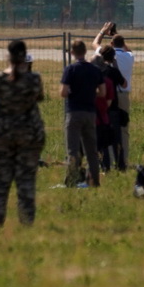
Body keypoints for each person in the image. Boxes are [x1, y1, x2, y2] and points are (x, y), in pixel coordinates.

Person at [0, 40, 46, 227]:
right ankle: (27, 221)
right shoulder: (33, 80)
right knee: (26, 181)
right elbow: (39, 96)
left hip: (1, 135)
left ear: (8, 56)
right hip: (27, 135)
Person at [60, 39, 105, 187]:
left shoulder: (70, 69)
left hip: (74, 112)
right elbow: (102, 92)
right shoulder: (95, 70)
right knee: (91, 150)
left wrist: (74, 92)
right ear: (85, 52)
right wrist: (90, 93)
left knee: (73, 150)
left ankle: (72, 180)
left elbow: (63, 92)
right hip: (90, 113)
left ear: (72, 53)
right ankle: (94, 181)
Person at [95, 23, 134, 169]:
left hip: (106, 93)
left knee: (105, 125)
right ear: (123, 43)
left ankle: (107, 159)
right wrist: (115, 35)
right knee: (123, 128)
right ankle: (123, 159)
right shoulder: (129, 56)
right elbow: (128, 50)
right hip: (123, 95)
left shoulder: (105, 54)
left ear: (111, 44)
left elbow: (95, 44)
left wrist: (102, 32)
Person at [94, 46, 126, 171]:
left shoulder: (97, 71)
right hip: (113, 109)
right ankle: (120, 165)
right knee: (116, 139)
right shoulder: (113, 71)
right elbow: (124, 84)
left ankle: (104, 166)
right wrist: (116, 67)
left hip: (100, 109)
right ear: (113, 58)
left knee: (102, 140)